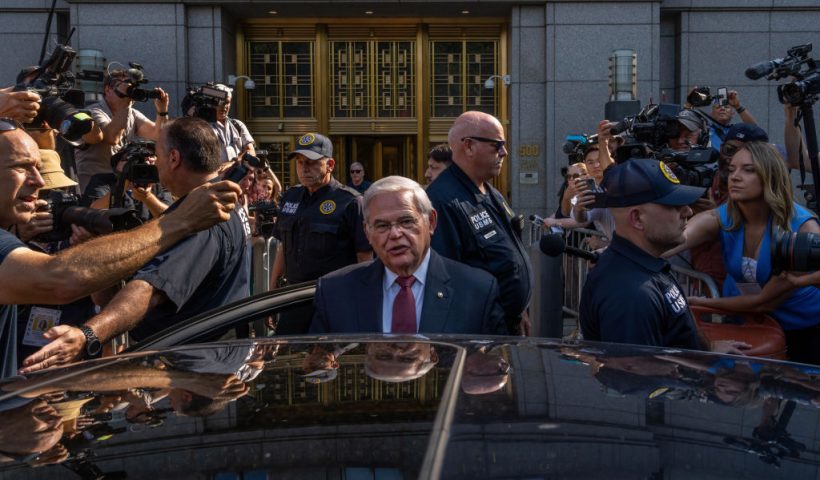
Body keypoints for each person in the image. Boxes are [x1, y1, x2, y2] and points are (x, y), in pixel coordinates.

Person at [0, 118, 240, 378]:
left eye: (38, 168)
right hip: (181, 368)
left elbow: (148, 289)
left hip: (185, 367)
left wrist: (89, 334)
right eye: (22, 167)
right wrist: (179, 221)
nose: (39, 182)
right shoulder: (197, 214)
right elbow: (60, 278)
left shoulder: (205, 216)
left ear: (173, 158)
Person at [668, 141, 820, 364]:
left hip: (803, 331)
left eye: (748, 170)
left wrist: (693, 301)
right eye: (731, 170)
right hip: (745, 325)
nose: (735, 177)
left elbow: (764, 302)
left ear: (770, 175)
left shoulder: (802, 228)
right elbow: (674, 239)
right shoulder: (723, 217)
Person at [579, 158, 750, 354]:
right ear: (637, 218)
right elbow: (639, 379)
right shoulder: (630, 295)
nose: (688, 211)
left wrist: (708, 348)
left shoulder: (645, 264)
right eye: (674, 206)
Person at [310, 176, 506, 335]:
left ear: (431, 222)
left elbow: (491, 376)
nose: (395, 234)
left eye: (406, 221)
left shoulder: (477, 291)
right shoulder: (334, 292)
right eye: (382, 225)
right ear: (367, 232)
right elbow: (321, 372)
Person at [426, 111, 533, 334]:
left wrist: (520, 309)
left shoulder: (489, 190)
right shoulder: (443, 200)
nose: (504, 152)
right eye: (497, 145)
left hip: (506, 324)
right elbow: (445, 281)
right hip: (481, 333)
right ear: (469, 146)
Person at [270, 132, 372, 286]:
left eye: (311, 162)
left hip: (333, 297)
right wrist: (272, 293)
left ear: (330, 165)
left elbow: (364, 257)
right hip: (291, 298)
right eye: (299, 162)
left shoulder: (351, 202)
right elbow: (283, 248)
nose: (304, 169)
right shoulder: (291, 197)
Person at [74, 67, 169, 204]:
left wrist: (162, 112)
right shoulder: (94, 112)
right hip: (94, 186)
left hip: (121, 184)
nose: (128, 93)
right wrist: (125, 105)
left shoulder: (131, 113)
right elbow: (112, 137)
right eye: (124, 87)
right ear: (108, 90)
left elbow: (158, 134)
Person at [211, 83, 255, 164]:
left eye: (227, 102)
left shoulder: (237, 125)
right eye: (220, 103)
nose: (224, 107)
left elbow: (251, 151)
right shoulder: (203, 127)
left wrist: (232, 164)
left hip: (238, 175)